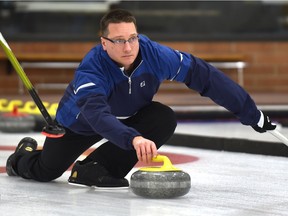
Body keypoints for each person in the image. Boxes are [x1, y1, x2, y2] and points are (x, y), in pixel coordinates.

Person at [6, 9, 276, 187]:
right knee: (46, 172)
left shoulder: (155, 54)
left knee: (162, 118)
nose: (128, 47)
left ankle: (93, 169)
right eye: (120, 40)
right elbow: (97, 115)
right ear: (104, 43)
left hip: (130, 117)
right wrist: (132, 138)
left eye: (133, 38)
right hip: (80, 125)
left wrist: (251, 113)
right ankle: (21, 156)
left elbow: (204, 76)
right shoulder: (92, 69)